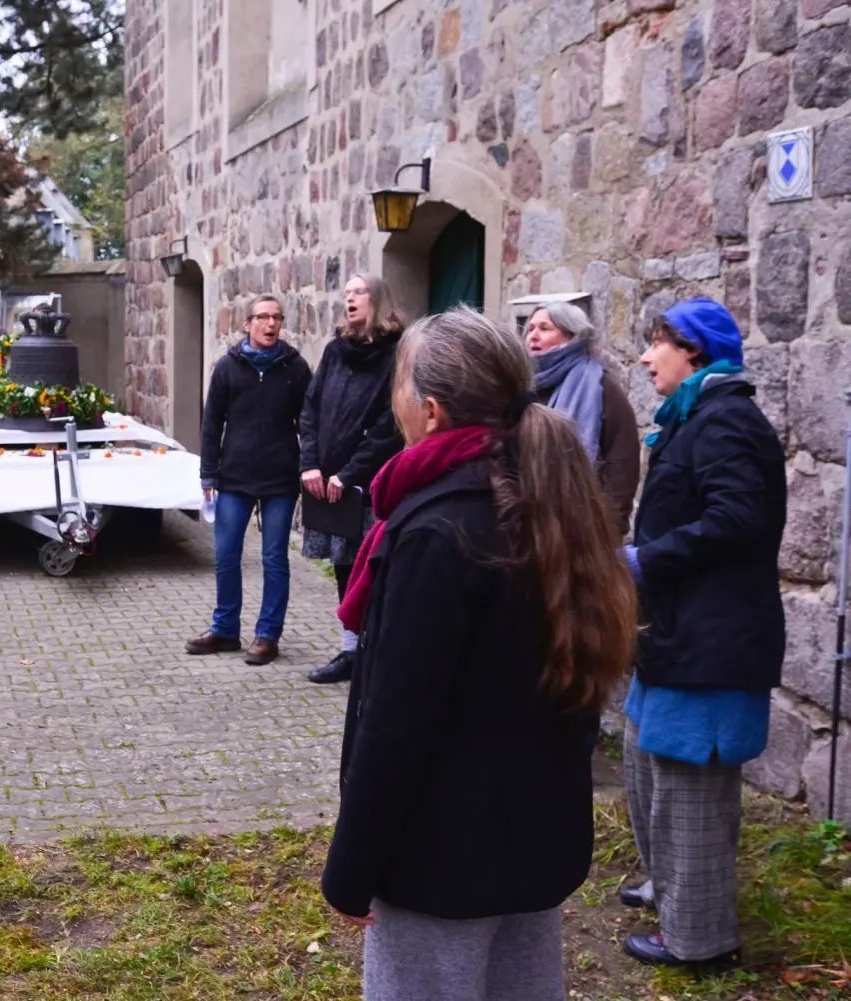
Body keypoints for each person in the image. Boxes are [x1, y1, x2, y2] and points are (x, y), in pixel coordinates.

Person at [321, 306, 636, 1001]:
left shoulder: (439, 531)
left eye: (396, 389)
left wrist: (351, 866)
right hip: (532, 839)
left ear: (429, 411)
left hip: (441, 857)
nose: (391, 404)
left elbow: (398, 722)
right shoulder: (545, 498)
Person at [618, 298, 786, 969]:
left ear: (692, 350)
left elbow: (740, 519)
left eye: (655, 342)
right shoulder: (695, 418)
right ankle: (673, 888)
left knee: (691, 789)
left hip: (712, 642)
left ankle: (699, 939)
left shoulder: (727, 421)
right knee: (643, 763)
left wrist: (644, 558)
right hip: (676, 634)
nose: (643, 355)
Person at [189, 293, 312, 666]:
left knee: (275, 558)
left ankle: (267, 635)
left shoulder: (296, 368)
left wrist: (310, 464)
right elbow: (212, 424)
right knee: (227, 556)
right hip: (234, 478)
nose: (270, 324)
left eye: (276, 317)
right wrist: (208, 472)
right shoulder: (228, 367)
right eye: (262, 317)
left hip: (280, 480)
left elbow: (309, 422)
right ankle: (225, 629)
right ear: (247, 324)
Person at [299, 274, 406, 685]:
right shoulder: (336, 350)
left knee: (373, 567)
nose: (350, 299)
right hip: (326, 483)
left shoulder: (396, 355)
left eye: (358, 292)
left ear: (377, 299)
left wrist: (349, 472)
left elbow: (389, 425)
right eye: (346, 294)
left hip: (368, 483)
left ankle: (376, 652)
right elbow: (311, 409)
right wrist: (310, 463)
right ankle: (350, 652)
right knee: (343, 566)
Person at [526, 302, 641, 537]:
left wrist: (608, 528)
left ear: (572, 336)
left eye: (544, 328)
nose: (533, 336)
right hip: (528, 525)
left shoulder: (600, 386)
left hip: (583, 530)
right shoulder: (523, 387)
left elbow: (622, 463)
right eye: (530, 329)